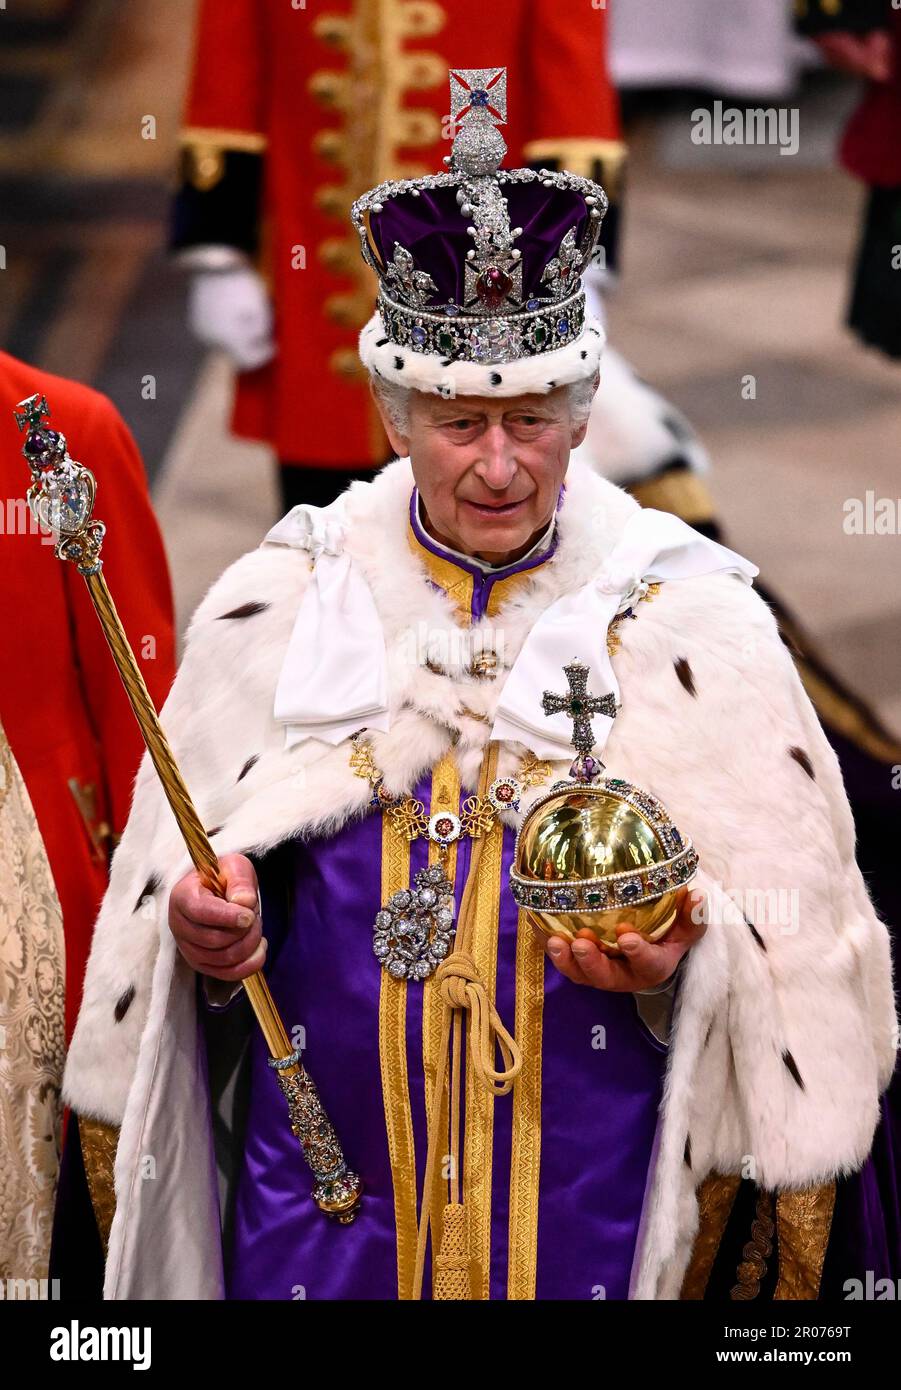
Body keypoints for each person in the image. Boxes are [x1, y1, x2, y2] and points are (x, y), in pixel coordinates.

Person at [58, 68, 894, 1300]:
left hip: (594, 1231)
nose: (500, 464)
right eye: (459, 421)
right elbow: (173, 1006)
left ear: (581, 411)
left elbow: (788, 1014)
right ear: (395, 416)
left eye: (535, 417)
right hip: (324, 1223)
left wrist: (677, 964)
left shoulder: (695, 626)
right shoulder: (282, 606)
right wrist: (205, 939)